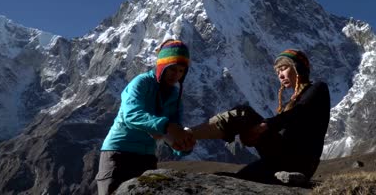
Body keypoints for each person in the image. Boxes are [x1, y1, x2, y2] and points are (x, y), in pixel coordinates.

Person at [189, 49, 331, 185]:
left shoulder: (318, 89)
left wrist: (263, 127)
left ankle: (188, 135)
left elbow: (298, 113)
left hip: (299, 160)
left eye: (283, 68)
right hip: (281, 159)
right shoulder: (291, 103)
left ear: (298, 68)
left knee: (243, 113)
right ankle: (189, 135)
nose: (280, 75)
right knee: (242, 177)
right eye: (278, 72)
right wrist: (255, 136)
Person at [96, 39, 195, 195]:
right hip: (119, 153)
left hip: (147, 157)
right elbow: (131, 115)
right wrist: (166, 126)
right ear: (162, 66)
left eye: (181, 71)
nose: (176, 75)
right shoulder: (141, 83)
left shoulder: (175, 96)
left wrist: (182, 146)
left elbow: (174, 129)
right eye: (172, 69)